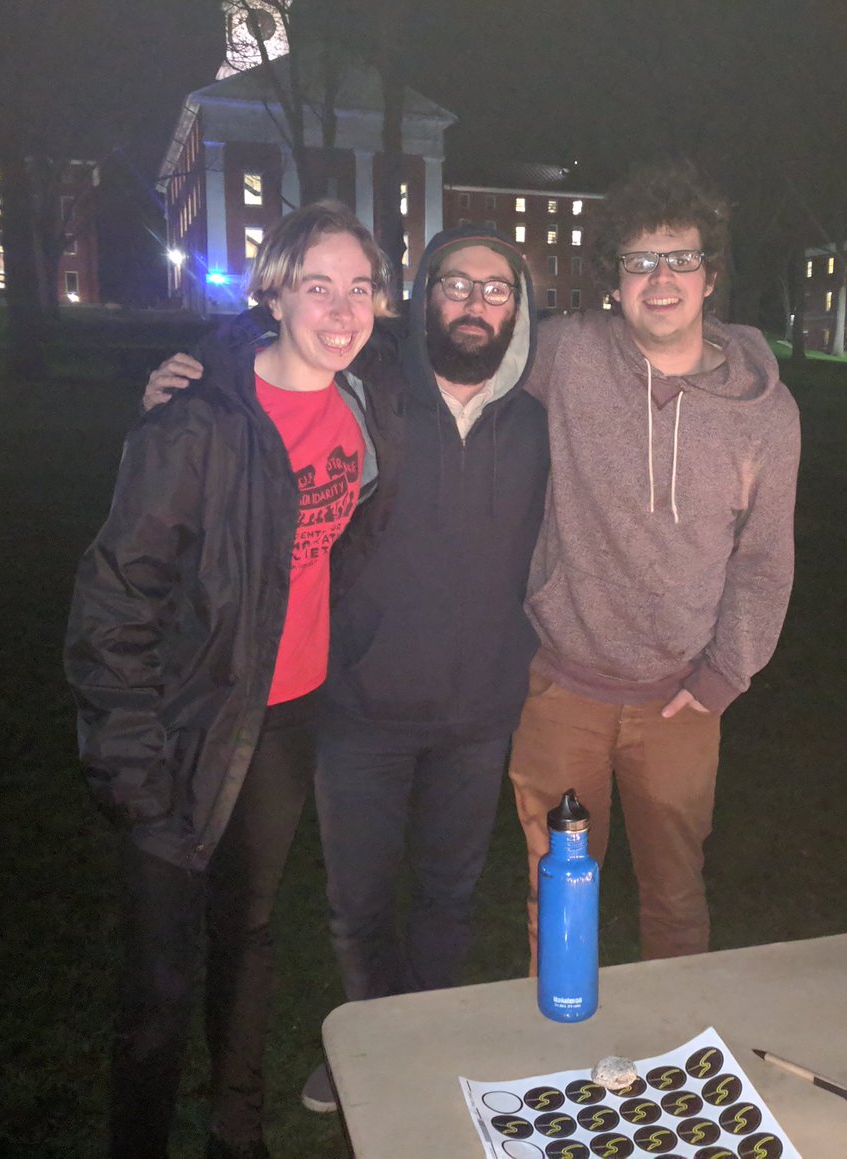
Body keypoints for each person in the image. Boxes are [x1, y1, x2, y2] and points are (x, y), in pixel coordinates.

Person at [141, 225, 549, 1114]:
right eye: (456, 283)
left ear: (519, 308)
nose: (475, 303)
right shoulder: (373, 394)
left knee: (447, 896)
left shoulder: (538, 418)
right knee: (356, 903)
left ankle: (421, 1042)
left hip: (481, 711)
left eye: (497, 288)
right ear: (423, 295)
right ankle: (373, 1043)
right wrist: (200, 372)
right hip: (359, 701)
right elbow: (279, 355)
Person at [65, 201, 392, 1159]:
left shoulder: (362, 407)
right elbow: (114, 601)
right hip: (183, 728)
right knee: (160, 980)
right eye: (318, 286)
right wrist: (131, 761)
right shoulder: (195, 422)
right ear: (274, 296)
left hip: (286, 721)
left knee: (247, 934)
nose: (342, 310)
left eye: (360, 287)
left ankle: (237, 1135)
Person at [509, 160, 801, 965]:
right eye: (639, 260)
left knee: (675, 895)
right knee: (557, 890)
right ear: (615, 279)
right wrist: (231, 359)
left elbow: (765, 559)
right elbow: (457, 359)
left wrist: (725, 673)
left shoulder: (765, 413)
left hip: (681, 700)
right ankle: (560, 1030)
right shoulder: (567, 354)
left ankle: (679, 1037)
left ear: (712, 275)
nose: (660, 278)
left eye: (681, 257)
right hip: (562, 687)